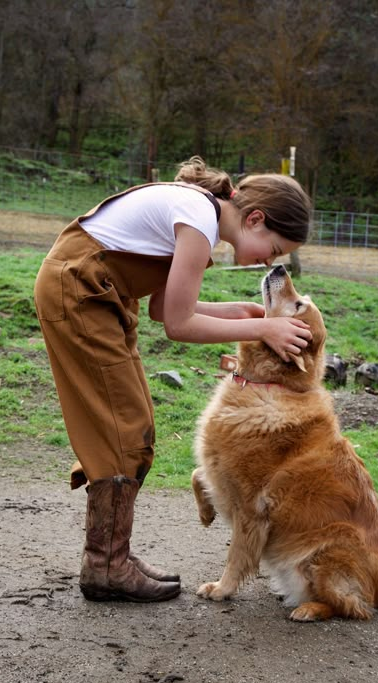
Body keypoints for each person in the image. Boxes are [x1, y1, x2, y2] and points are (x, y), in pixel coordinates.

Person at [34, 156, 312, 604]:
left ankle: (109, 557)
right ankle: (106, 565)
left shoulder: (200, 213)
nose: (269, 261)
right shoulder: (200, 221)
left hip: (99, 297)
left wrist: (238, 312)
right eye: (274, 249)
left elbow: (165, 308)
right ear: (255, 218)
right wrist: (263, 328)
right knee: (123, 427)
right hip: (80, 292)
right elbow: (179, 325)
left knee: (134, 421)